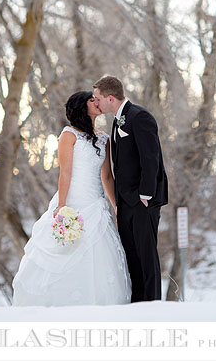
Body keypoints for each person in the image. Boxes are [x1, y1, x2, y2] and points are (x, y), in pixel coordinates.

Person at [12, 91, 131, 306]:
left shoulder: (104, 138)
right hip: (73, 202)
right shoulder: (69, 135)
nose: (97, 102)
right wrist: (61, 207)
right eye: (92, 100)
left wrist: (116, 206)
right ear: (81, 107)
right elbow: (65, 173)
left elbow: (106, 176)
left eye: (98, 100)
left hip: (96, 204)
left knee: (100, 257)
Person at [92, 75, 168, 302]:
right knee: (131, 256)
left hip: (143, 199)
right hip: (126, 202)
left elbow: (151, 157)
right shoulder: (117, 121)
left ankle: (152, 305)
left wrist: (146, 194)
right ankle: (138, 304)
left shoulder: (140, 117)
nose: (95, 103)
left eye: (97, 99)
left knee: (146, 257)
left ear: (110, 98)